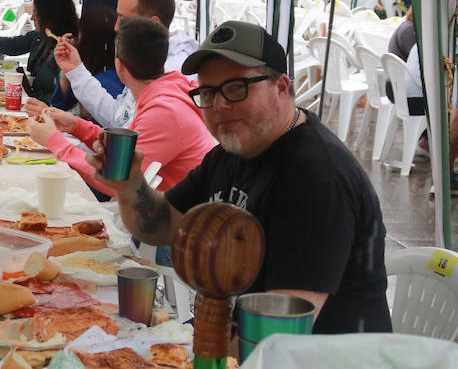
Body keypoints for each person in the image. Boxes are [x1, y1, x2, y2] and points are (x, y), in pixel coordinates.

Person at [101, 20, 391, 334]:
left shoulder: (318, 178)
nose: (220, 105)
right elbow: (160, 225)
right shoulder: (230, 153)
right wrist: (129, 184)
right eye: (208, 92)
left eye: (237, 87)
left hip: (317, 358)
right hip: (245, 338)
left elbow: (278, 333)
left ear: (281, 87)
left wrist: (196, 350)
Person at [29, 17, 214, 196]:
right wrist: (76, 126)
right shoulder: (164, 93)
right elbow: (124, 150)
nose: (116, 23)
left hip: (174, 215)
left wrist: (54, 141)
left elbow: (117, 181)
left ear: (120, 64)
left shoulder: (165, 111)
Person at [38, 0, 199, 129]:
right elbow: (119, 118)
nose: (116, 27)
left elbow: (133, 141)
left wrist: (64, 137)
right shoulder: (151, 60)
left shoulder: (175, 75)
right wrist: (75, 69)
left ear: (153, 22)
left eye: (123, 18)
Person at [0, 0, 78, 102]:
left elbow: (63, 97)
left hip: (47, 107)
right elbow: (14, 45)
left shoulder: (68, 47)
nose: (31, 18)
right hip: (33, 100)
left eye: (35, 13)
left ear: (49, 15)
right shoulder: (40, 36)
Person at [51, 3, 123, 112]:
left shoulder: (107, 81)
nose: (78, 38)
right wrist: (66, 69)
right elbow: (60, 104)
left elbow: (58, 106)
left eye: (80, 33)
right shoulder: (93, 71)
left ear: (87, 38)